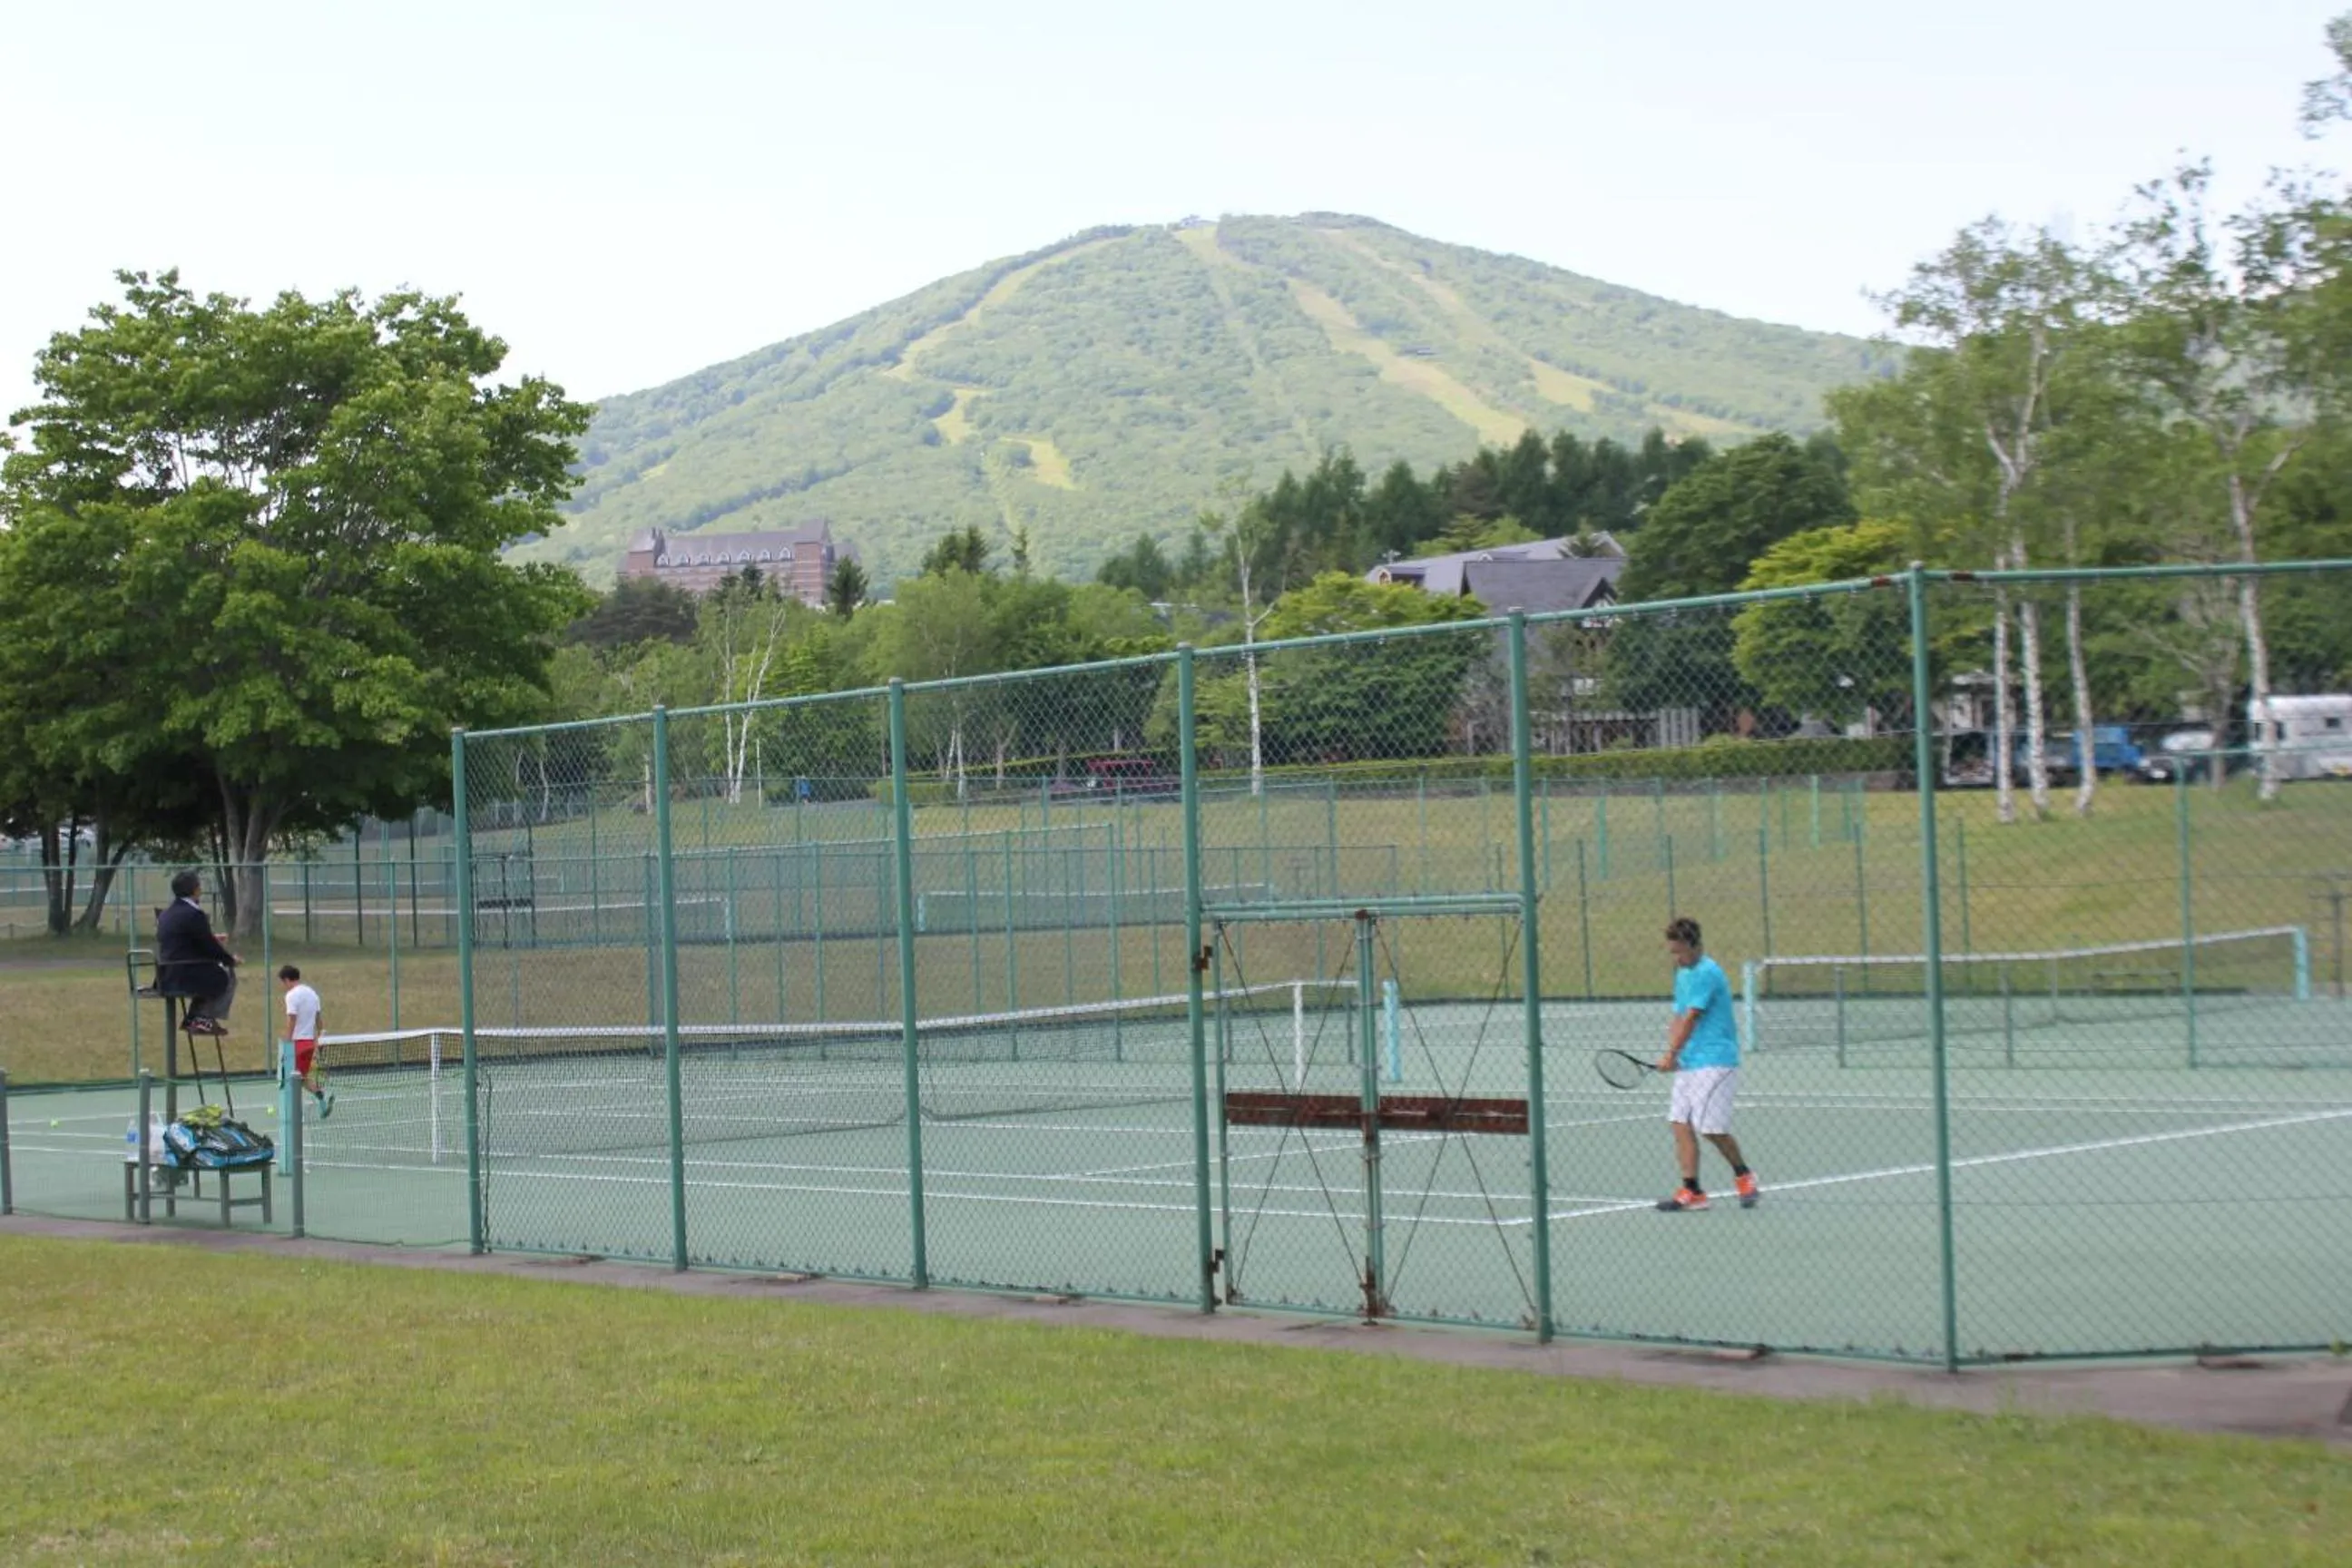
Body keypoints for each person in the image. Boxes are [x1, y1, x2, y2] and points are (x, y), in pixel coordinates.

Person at [1653, 916, 1759, 1212]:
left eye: (1679, 951)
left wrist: (1672, 1054)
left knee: (1711, 1128)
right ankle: (1692, 1191)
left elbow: (1691, 1017)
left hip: (1716, 1061)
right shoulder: (1683, 973)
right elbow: (1678, 1015)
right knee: (1679, 1122)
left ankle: (1744, 1176)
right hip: (1690, 1062)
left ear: (1694, 945)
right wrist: (1672, 1054)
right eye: (1671, 952)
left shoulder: (1707, 973)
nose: (1676, 957)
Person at [154, 870, 238, 1036]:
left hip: (165, 973)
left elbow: (183, 940)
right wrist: (230, 960)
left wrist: (212, 940)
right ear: (196, 890)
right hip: (185, 973)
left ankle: (195, 1017)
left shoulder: (166, 914)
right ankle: (203, 1018)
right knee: (225, 974)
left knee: (211, 974)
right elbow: (208, 946)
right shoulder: (195, 914)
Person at [279, 965, 333, 1120]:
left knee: (289, 1078)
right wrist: (321, 1035)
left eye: (284, 982)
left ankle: (296, 1114)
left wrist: (287, 1042)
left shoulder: (291, 996)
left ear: (287, 980)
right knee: (301, 1078)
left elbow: (292, 1019)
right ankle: (322, 1096)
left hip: (297, 1043)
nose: (284, 986)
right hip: (309, 1042)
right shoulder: (312, 994)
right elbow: (318, 1018)